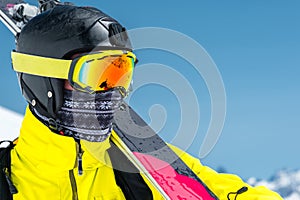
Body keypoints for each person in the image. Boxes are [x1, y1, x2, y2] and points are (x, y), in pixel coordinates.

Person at [8, 4, 283, 200]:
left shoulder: (142, 167)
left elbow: (221, 190)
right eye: (96, 74)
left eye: (120, 73)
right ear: (43, 81)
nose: (112, 91)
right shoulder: (6, 183)